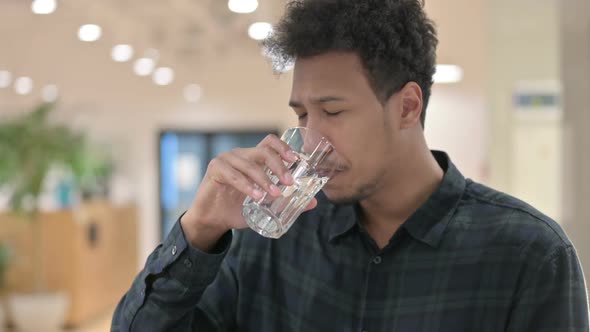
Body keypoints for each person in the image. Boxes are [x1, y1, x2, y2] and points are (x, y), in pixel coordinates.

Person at [111, 0, 589, 331]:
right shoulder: (270, 246)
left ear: (406, 106)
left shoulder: (528, 255)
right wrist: (200, 230)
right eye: (301, 115)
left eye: (333, 112)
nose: (311, 138)